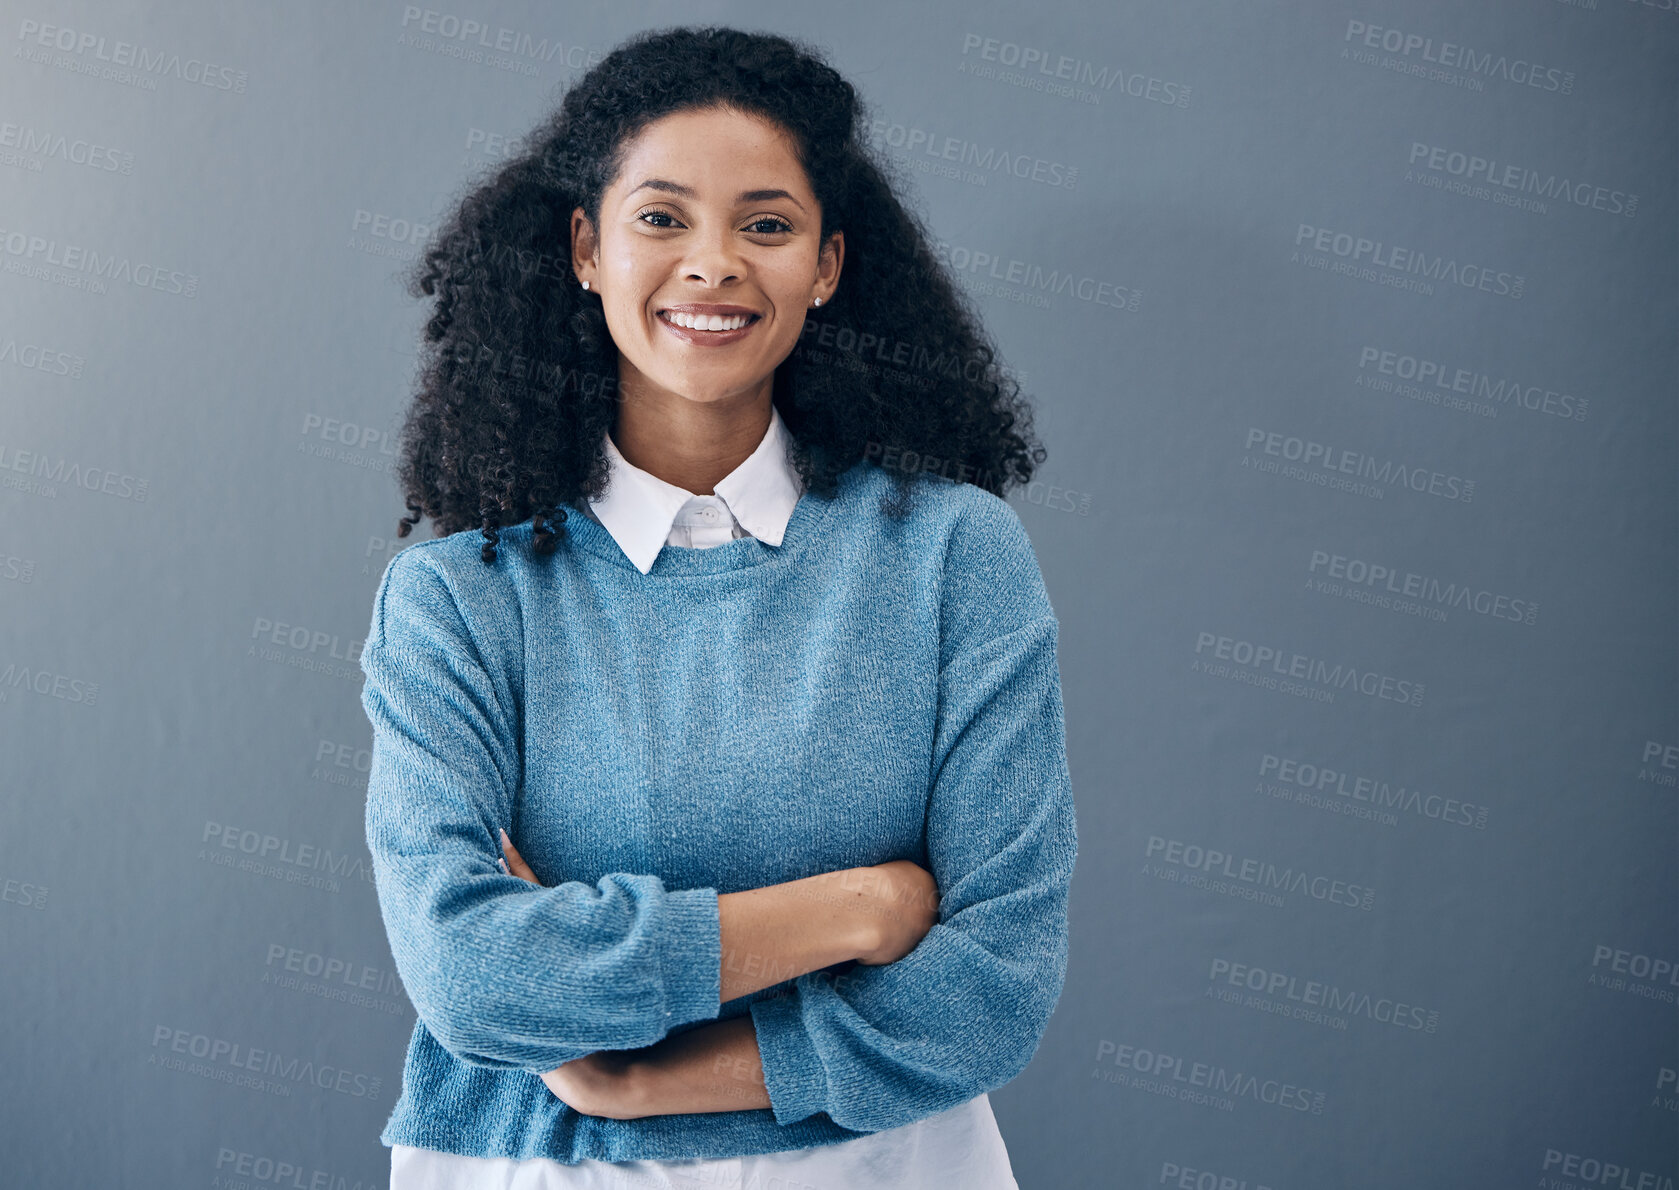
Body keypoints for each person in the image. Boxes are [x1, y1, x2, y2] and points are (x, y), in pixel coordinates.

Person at [358, 24, 1077, 1189]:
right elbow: (472, 978)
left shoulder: (954, 558)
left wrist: (637, 1073)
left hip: (888, 1165)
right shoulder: (458, 602)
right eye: (659, 217)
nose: (712, 263)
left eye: (766, 223)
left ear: (827, 266)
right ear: (585, 248)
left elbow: (994, 987)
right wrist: (857, 905)